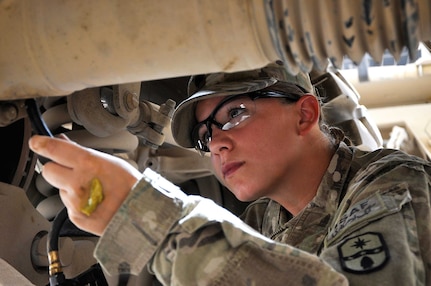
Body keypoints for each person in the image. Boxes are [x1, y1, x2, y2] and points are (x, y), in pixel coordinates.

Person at [28, 61, 431, 285]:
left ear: (305, 114)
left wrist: (153, 223)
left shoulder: (391, 182)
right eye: (206, 135)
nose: (217, 144)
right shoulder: (263, 219)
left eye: (235, 114)